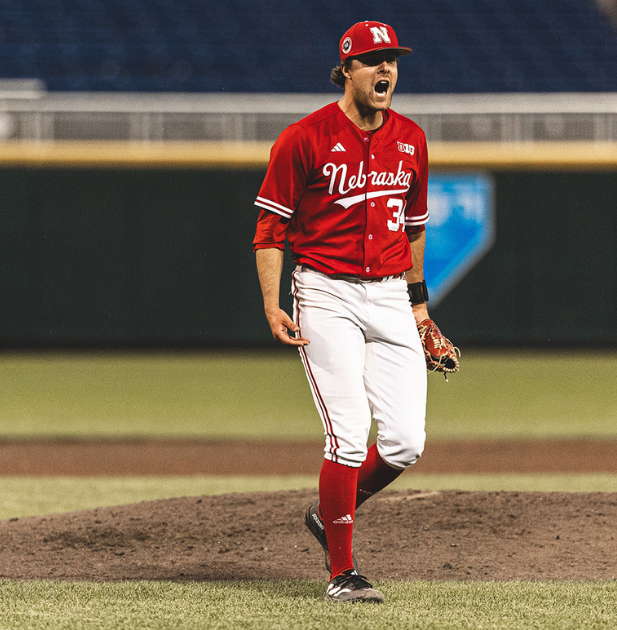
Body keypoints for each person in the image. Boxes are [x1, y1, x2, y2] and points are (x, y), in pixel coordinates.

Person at [253, 21, 440, 603]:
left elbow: (413, 231)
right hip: (324, 292)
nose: (386, 70)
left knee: (407, 441)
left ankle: (334, 508)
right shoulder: (304, 138)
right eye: (374, 61)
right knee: (349, 436)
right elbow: (270, 227)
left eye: (393, 61)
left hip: (389, 294)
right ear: (347, 70)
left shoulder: (411, 138)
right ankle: (342, 572)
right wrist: (271, 304)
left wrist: (421, 310)